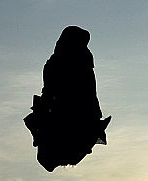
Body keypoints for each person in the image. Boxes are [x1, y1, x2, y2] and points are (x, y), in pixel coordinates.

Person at [24, 26, 111, 172]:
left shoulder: (77, 62)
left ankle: (61, 148)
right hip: (73, 113)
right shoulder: (80, 62)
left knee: (52, 156)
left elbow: (88, 92)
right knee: (52, 156)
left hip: (73, 113)